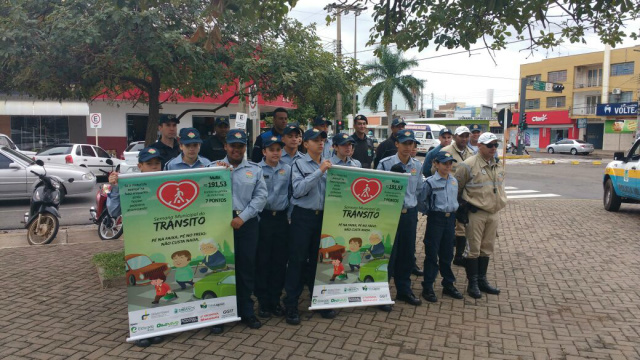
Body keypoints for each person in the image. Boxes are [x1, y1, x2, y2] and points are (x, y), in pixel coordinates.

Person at [105, 147, 164, 348]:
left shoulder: (168, 181)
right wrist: (113, 188)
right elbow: (114, 211)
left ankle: (159, 325)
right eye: (149, 164)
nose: (154, 167)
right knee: (140, 291)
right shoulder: (129, 184)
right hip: (139, 242)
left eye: (157, 163)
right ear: (140, 166)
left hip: (160, 241)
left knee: (157, 285)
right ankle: (141, 328)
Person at [214, 129, 267, 330]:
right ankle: (221, 314)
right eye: (232, 145)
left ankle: (246, 311)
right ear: (225, 146)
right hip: (219, 225)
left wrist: (242, 218)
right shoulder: (213, 168)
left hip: (246, 224)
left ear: (245, 147)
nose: (236, 149)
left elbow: (261, 197)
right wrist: (217, 173)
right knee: (222, 268)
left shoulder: (255, 170)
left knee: (245, 268)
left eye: (240, 146)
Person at [283, 128, 336, 325]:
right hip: (303, 217)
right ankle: (291, 305)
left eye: (322, 139)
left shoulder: (332, 163)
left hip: (323, 216)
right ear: (305, 144)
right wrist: (319, 171)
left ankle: (320, 301)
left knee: (321, 260)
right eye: (315, 140)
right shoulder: (298, 164)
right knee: (297, 261)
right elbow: (298, 191)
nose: (320, 143)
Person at [455, 132, 506, 299]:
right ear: (479, 146)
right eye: (489, 145)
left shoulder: (497, 164)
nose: (493, 148)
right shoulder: (468, 165)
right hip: (475, 213)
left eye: (495, 145)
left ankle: (482, 280)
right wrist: (462, 210)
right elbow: (457, 188)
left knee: (487, 248)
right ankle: (473, 283)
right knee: (473, 250)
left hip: (493, 213)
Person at [377, 129, 425, 309]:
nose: (408, 147)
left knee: (406, 254)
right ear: (397, 143)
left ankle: (404, 290)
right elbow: (377, 189)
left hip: (409, 214)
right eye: (404, 143)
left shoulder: (417, 165)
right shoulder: (385, 164)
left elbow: (418, 189)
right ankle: (383, 294)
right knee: (388, 255)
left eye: (411, 143)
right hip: (390, 214)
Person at [255, 135, 291, 319]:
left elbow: (291, 195)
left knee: (279, 262)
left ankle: (275, 300)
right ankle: (263, 302)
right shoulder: (256, 169)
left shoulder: (288, 169)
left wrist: (290, 217)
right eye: (272, 149)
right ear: (264, 152)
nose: (276, 153)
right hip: (264, 219)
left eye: (278, 149)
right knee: (263, 262)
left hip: (281, 220)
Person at [420, 151, 463, 303]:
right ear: (436, 164)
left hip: (450, 220)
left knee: (447, 254)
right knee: (432, 254)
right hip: (436, 220)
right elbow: (421, 201)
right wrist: (430, 212)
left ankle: (448, 284)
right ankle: (428, 286)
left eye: (450, 163)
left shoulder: (453, 181)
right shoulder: (430, 182)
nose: (448, 166)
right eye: (444, 163)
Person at [438, 126, 472, 267]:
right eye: (461, 136)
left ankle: (458, 256)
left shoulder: (471, 153)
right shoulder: (445, 152)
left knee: (461, 226)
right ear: (455, 136)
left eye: (466, 136)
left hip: (463, 196)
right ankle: (443, 254)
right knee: (446, 227)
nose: (464, 139)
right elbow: (435, 171)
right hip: (447, 195)